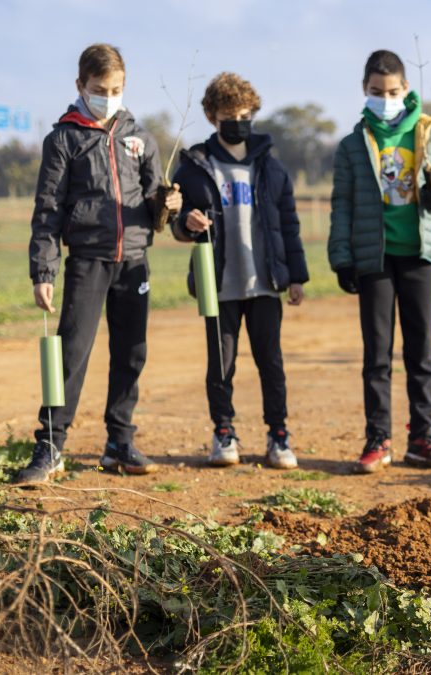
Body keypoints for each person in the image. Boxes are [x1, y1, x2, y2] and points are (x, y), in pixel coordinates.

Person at [18, 43, 181, 484]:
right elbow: (47, 209)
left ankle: (119, 441)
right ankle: (50, 445)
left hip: (134, 263)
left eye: (116, 88)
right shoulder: (63, 139)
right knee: (71, 353)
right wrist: (43, 271)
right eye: (99, 88)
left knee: (132, 353)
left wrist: (168, 203)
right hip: (87, 262)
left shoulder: (140, 137)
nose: (108, 96)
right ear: (80, 86)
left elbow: (156, 210)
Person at [328, 49, 431, 474]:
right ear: (364, 91)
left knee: (420, 353)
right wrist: (341, 258)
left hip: (419, 256)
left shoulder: (430, 134)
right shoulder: (352, 144)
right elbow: (341, 205)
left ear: (406, 89)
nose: (385, 98)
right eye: (376, 91)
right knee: (377, 356)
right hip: (375, 259)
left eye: (393, 91)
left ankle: (423, 438)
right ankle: (377, 439)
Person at [171, 72, 308, 469]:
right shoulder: (194, 167)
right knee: (221, 364)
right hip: (219, 286)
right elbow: (177, 224)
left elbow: (288, 224)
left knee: (271, 362)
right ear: (212, 116)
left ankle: (278, 435)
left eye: (246, 114)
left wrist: (295, 277)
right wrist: (186, 224)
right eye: (230, 114)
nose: (239, 121)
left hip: (265, 283)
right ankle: (223, 432)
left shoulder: (271, 168)